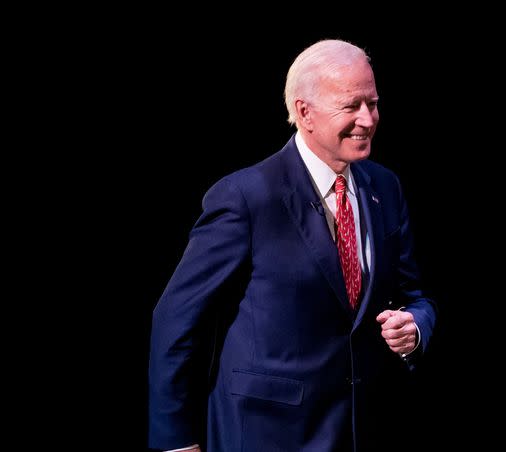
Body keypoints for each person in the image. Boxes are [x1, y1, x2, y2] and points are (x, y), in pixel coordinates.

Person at [148, 39, 437, 452]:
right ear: (304, 112)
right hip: (266, 434)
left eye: (372, 103)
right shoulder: (246, 197)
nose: (368, 119)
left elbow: (415, 296)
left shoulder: (385, 188)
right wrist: (174, 441)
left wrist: (416, 327)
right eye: (351, 105)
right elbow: (176, 318)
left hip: (361, 430)